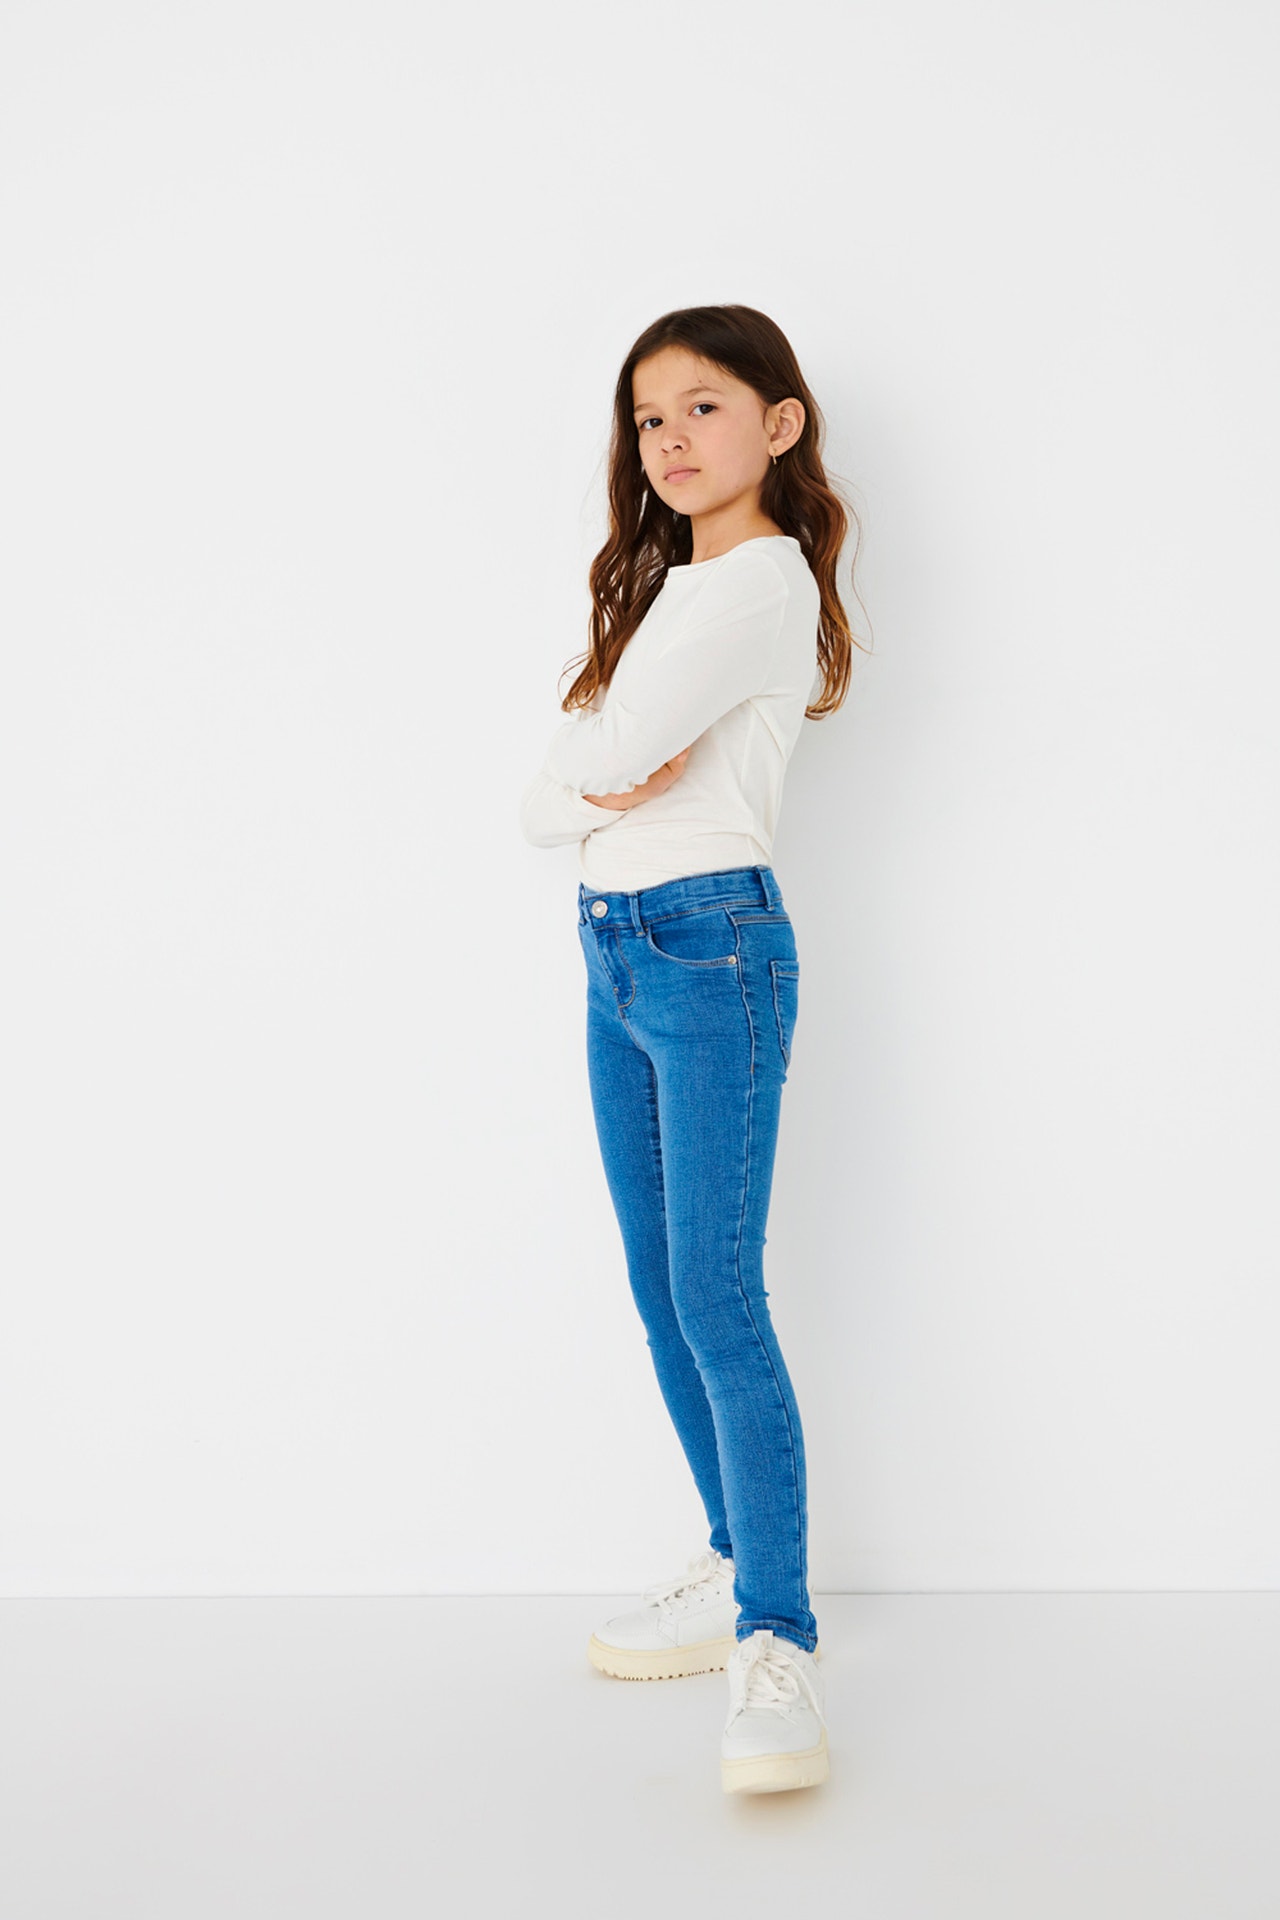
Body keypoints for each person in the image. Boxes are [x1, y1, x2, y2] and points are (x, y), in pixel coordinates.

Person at [519, 304, 864, 1795]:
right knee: (664, 1288)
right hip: (619, 945)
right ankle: (730, 1559)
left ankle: (776, 1637)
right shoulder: (675, 591)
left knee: (718, 1297)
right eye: (648, 418)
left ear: (779, 425)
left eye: (702, 407)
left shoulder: (757, 582)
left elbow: (589, 765)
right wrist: (584, 780)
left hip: (709, 944)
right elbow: (549, 801)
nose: (668, 438)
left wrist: (585, 776)